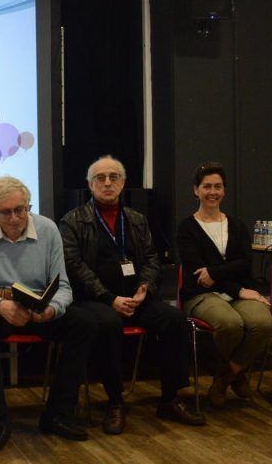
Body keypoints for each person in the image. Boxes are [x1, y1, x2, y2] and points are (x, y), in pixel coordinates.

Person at [61, 156, 205, 435]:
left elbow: (152, 259)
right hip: (94, 301)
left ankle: (170, 398)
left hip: (135, 297)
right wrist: (108, 298)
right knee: (108, 324)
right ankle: (115, 401)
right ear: (90, 185)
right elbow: (74, 267)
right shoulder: (73, 221)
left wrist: (145, 288)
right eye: (100, 178)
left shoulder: (137, 220)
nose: (107, 183)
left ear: (123, 183)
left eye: (113, 177)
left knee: (174, 319)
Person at [0, 176, 96, 453]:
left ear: (28, 206)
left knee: (83, 324)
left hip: (37, 306)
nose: (14, 218)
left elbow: (64, 286)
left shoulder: (47, 229)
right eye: (6, 212)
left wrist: (52, 309)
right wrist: (0, 306)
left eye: (21, 209)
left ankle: (57, 414)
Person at [177, 162, 272, 408]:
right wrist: (238, 289)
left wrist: (216, 272)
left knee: (262, 321)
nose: (213, 192)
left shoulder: (237, 225)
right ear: (195, 190)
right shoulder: (186, 228)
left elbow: (244, 263)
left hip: (238, 291)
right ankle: (238, 374)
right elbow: (200, 275)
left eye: (218, 186)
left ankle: (225, 376)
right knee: (231, 324)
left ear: (224, 191)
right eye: (207, 186)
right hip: (201, 295)